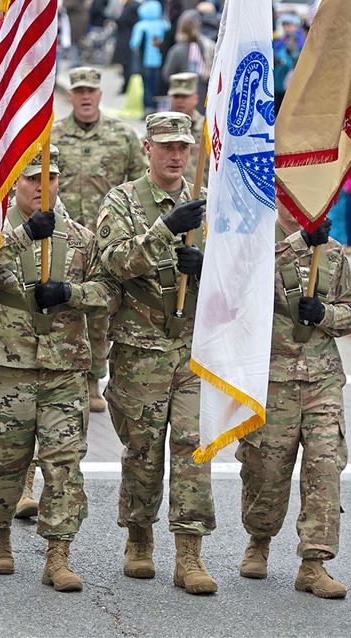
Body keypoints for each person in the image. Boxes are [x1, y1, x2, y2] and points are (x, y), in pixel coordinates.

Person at [0, 146, 117, 592]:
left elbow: (108, 291)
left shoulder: (82, 239)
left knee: (65, 464)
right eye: (32, 178)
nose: (41, 186)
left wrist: (70, 292)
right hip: (5, 368)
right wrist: (23, 235)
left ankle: (58, 555)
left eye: (50, 178)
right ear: (14, 183)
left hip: (63, 370)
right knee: (2, 461)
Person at [96, 112, 217, 595]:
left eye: (183, 147)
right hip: (140, 350)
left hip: (192, 350)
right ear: (147, 148)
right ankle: (139, 539)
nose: (175, 156)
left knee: (194, 449)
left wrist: (207, 268)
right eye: (166, 146)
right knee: (143, 451)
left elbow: (239, 274)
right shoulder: (123, 201)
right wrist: (165, 230)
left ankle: (189, 555)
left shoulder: (208, 201)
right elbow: (113, 262)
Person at [237, 211, 351, 598]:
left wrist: (327, 314)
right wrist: (299, 244)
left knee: (325, 466)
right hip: (272, 380)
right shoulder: (256, 243)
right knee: (267, 471)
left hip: (322, 380)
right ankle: (259, 538)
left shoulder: (334, 253)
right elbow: (244, 286)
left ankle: (314, 563)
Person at [53, 67, 147, 411]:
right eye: (79, 91)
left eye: (91, 91)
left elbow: (141, 184)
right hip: (64, 238)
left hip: (107, 240)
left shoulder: (122, 136)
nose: (86, 97)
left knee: (100, 310)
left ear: (101, 94)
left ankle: (94, 378)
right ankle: (66, 376)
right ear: (70, 96)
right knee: (63, 307)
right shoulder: (53, 136)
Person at [161, 11, 213, 103]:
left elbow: (167, 74)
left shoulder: (177, 50)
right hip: (203, 95)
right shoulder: (208, 46)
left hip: (181, 95)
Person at [129, 0, 170, 115]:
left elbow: (134, 44)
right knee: (158, 85)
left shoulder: (140, 26)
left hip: (145, 61)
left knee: (147, 85)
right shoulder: (164, 25)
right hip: (161, 61)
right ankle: (159, 107)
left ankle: (148, 107)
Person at [167, 72, 206, 184]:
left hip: (200, 196)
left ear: (196, 98)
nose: (180, 101)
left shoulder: (207, 129)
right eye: (176, 96)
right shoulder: (159, 127)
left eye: (184, 96)